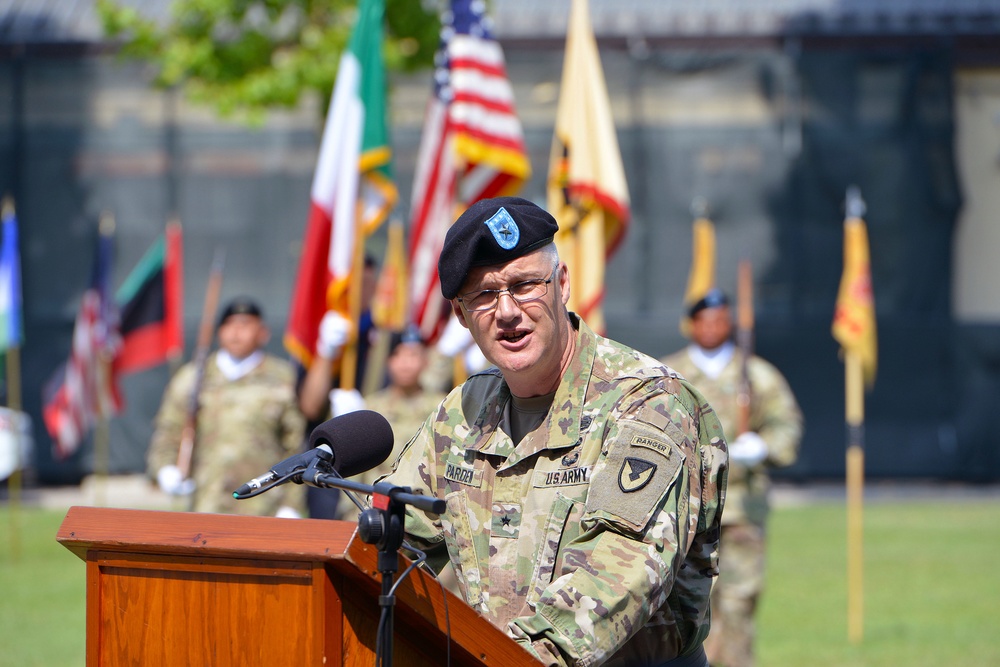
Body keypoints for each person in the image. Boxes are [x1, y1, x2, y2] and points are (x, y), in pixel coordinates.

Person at [379, 196, 729, 667]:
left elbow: (617, 571)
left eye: (524, 285)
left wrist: (510, 660)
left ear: (561, 285)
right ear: (461, 315)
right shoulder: (462, 412)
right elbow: (395, 545)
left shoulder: (648, 404)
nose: (506, 312)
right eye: (484, 295)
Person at [661, 288, 802, 667]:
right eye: (706, 320)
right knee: (685, 609)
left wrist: (763, 446)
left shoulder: (756, 375)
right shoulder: (668, 375)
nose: (713, 327)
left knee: (738, 604)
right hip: (683, 513)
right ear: (692, 324)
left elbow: (786, 426)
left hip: (739, 509)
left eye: (721, 319)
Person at [148, 297, 306, 517]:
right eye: (229, 325)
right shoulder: (194, 377)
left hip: (264, 505)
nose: (236, 332)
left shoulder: (282, 378)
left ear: (263, 333)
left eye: (245, 324)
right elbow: (169, 429)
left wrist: (291, 503)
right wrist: (165, 469)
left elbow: (296, 445)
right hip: (207, 502)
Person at [334, 326, 445, 521]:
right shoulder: (370, 407)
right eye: (398, 355)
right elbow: (356, 469)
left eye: (412, 355)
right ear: (388, 361)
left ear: (425, 361)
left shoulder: (442, 407)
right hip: (374, 509)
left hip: (425, 512)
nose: (405, 364)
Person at [298, 255, 379, 519]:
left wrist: (366, 412)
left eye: (367, 283)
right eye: (352, 283)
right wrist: (326, 351)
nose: (359, 291)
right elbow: (310, 406)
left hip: (377, 468)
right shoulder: (321, 336)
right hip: (328, 467)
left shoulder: (383, 335)